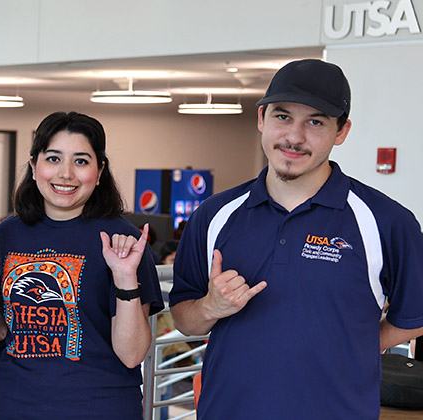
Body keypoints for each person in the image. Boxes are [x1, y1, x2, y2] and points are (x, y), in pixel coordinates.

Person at [170, 59, 423, 419]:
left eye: (315, 122)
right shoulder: (214, 214)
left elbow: (414, 316)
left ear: (342, 131)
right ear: (261, 119)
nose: (294, 137)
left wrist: (356, 345)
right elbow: (184, 318)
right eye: (282, 117)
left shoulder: (386, 221)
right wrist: (211, 307)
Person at [0, 111, 163, 419]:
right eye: (53, 159)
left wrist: (124, 277)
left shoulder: (124, 241)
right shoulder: (6, 235)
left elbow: (132, 354)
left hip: (99, 407)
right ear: (33, 165)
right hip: (13, 404)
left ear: (100, 170)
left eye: (81, 161)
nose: (65, 173)